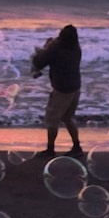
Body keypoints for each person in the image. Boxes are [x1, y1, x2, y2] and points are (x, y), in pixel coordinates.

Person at [30, 24, 82, 159]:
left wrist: (42, 50)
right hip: (75, 88)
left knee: (52, 119)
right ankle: (77, 147)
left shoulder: (56, 47)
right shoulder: (76, 47)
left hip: (62, 90)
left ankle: (50, 150)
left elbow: (39, 62)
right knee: (67, 118)